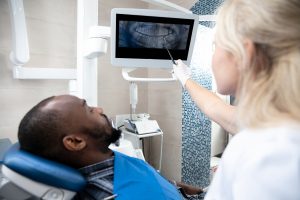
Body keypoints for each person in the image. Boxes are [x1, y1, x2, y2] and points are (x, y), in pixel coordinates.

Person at [176, 0, 300, 199]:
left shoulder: (265, 153)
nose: (213, 57)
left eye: (215, 45)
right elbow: (215, 107)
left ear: (244, 53)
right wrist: (185, 79)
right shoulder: (276, 123)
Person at [18, 94, 202, 200]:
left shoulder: (109, 159)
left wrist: (176, 187)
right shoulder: (110, 193)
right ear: (75, 142)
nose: (99, 109)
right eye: (89, 110)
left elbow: (144, 177)